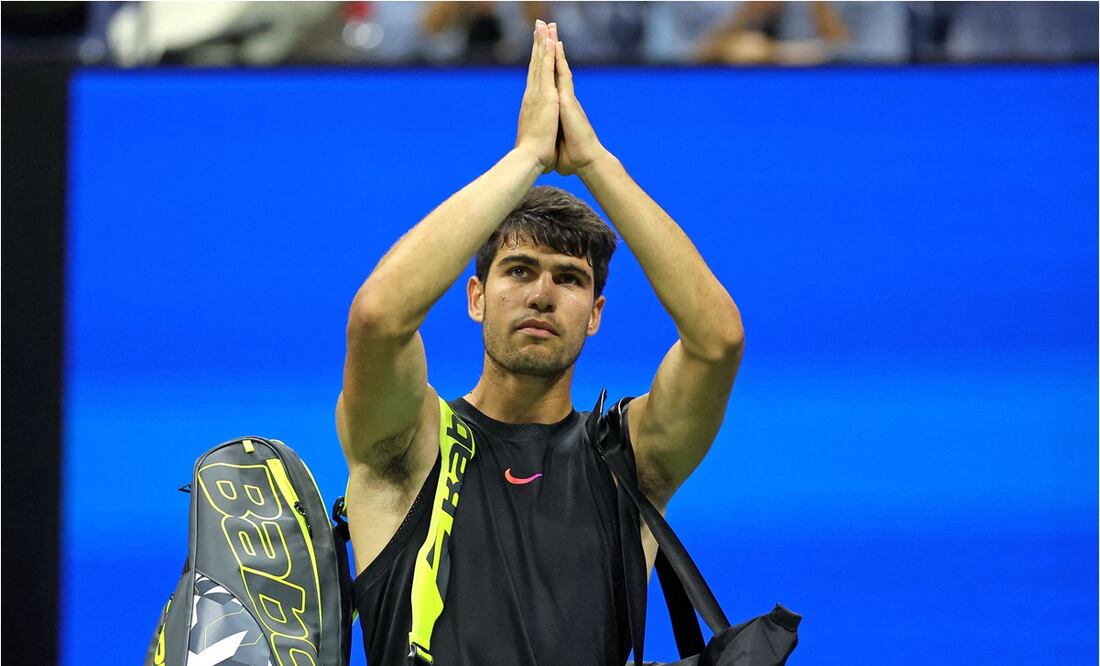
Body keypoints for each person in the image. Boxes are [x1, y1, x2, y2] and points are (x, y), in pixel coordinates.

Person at [337, 19, 744, 665]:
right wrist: (526, 156)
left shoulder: (630, 461)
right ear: (475, 297)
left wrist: (595, 163)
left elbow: (717, 340)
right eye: (519, 271)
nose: (543, 294)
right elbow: (379, 317)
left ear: (594, 314)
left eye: (570, 279)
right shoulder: (408, 449)